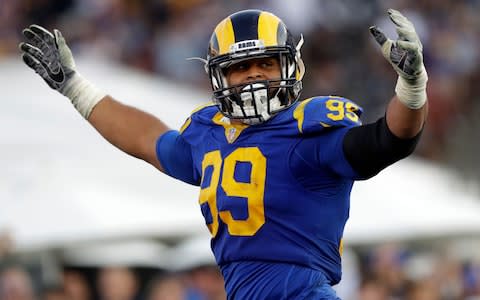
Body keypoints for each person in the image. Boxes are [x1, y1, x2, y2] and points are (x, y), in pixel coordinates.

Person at [19, 8, 428, 299]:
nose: (252, 74)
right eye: (239, 67)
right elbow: (147, 140)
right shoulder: (208, 134)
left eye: (265, 63)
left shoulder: (310, 130)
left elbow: (387, 141)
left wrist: (411, 87)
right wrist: (75, 88)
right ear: (219, 76)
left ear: (289, 68)